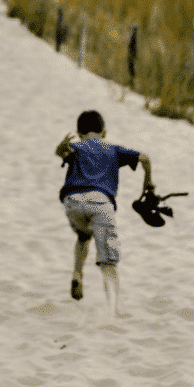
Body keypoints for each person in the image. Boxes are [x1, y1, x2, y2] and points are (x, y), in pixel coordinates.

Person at [55, 110, 153, 319]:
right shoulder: (113, 149)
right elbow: (145, 158)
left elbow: (61, 152)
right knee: (108, 262)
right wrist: (147, 185)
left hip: (72, 202)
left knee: (83, 235)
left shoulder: (76, 146)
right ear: (104, 132)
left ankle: (77, 275)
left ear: (79, 133)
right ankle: (112, 312)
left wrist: (61, 148)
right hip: (100, 202)